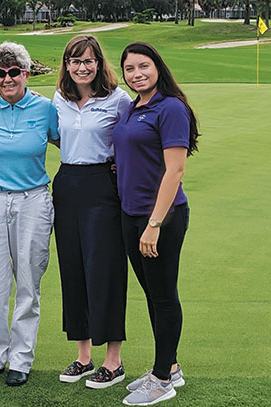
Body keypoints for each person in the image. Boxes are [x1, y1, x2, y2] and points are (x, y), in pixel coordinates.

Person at [112, 42, 199, 406]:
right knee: (152, 294)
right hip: (131, 214)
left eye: (143, 66)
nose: (137, 74)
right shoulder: (134, 107)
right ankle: (170, 365)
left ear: (157, 68)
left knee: (163, 296)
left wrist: (155, 223)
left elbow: (175, 169)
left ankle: (162, 378)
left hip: (160, 217)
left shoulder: (171, 108)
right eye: (130, 69)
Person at [0, 42, 59, 387]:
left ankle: (21, 359)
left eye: (14, 72)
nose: (7, 79)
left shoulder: (46, 108)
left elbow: (68, 142)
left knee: (28, 282)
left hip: (34, 201)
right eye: (0, 73)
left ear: (26, 73)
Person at [52, 35, 132, 389]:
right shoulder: (59, 99)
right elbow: (53, 134)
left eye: (87, 61)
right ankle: (84, 357)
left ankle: (113, 361)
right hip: (68, 184)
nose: (81, 67)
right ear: (66, 66)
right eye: (74, 61)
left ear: (99, 63)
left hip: (102, 185)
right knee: (73, 269)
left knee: (105, 270)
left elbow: (135, 137)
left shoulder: (118, 100)